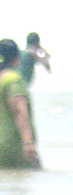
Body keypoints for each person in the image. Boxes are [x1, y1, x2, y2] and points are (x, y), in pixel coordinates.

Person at [0, 38, 41, 169]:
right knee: (26, 185)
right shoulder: (13, 80)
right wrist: (28, 143)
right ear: (16, 58)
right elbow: (19, 110)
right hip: (13, 147)